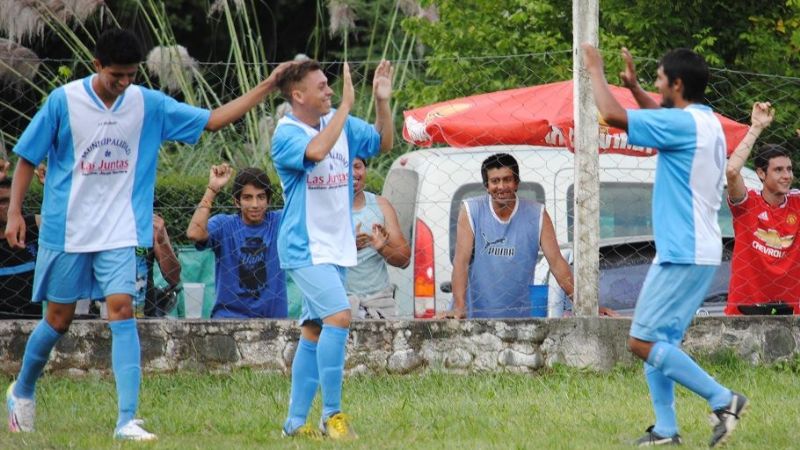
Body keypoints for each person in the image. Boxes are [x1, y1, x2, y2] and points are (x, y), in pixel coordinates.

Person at [4, 28, 295, 440]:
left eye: (131, 76)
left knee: (122, 310)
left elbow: (213, 120)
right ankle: (22, 390)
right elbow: (27, 158)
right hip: (67, 230)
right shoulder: (63, 102)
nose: (124, 84)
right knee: (58, 319)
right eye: (115, 76)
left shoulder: (148, 104)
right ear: (97, 66)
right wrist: (15, 211)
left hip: (121, 229)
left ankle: (127, 420)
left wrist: (269, 84)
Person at [583, 44, 748, 447]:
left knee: (641, 342)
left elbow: (609, 115)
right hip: (695, 249)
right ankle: (666, 430)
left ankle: (724, 399)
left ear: (677, 84)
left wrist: (594, 70)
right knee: (656, 339)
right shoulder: (705, 123)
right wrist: (637, 89)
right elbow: (663, 118)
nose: (656, 84)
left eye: (659, 79)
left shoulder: (684, 126)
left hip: (683, 250)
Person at [271, 58, 393, 439]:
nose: (329, 90)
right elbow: (317, 151)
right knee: (339, 317)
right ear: (298, 95)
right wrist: (344, 107)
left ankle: (293, 423)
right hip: (304, 247)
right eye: (322, 86)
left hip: (336, 248)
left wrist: (382, 102)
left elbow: (384, 142)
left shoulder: (342, 125)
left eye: (330, 85)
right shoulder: (286, 133)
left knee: (312, 330)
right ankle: (332, 416)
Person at [444, 153, 615, 319]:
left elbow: (556, 262)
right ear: (487, 186)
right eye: (495, 181)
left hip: (518, 319)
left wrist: (585, 305)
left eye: (507, 179)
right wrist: (459, 307)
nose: (501, 186)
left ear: (516, 182)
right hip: (474, 317)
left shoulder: (537, 214)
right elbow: (461, 261)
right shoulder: (471, 210)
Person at [725, 103, 799, 315]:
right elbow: (731, 171)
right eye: (778, 170)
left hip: (790, 315)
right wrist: (756, 127)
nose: (787, 175)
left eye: (789, 169)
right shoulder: (747, 203)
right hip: (744, 312)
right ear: (761, 173)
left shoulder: (797, 202)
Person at [186, 164, 287, 318]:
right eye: (248, 197)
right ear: (236, 201)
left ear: (268, 200)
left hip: (273, 321)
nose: (255, 205)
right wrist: (212, 189)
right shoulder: (224, 225)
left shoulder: (279, 222)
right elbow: (194, 233)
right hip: (228, 318)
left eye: (261, 197)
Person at [346, 156, 410, 319]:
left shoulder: (381, 205)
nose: (353, 173)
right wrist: (346, 246)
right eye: (345, 167)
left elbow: (404, 260)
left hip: (380, 305)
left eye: (358, 166)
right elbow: (312, 258)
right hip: (341, 306)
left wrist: (382, 247)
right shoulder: (326, 208)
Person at [0, 176, 41, 319]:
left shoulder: (33, 225)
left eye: (10, 201)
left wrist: (49, 187)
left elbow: (65, 222)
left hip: (37, 318)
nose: (8, 207)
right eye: (2, 202)